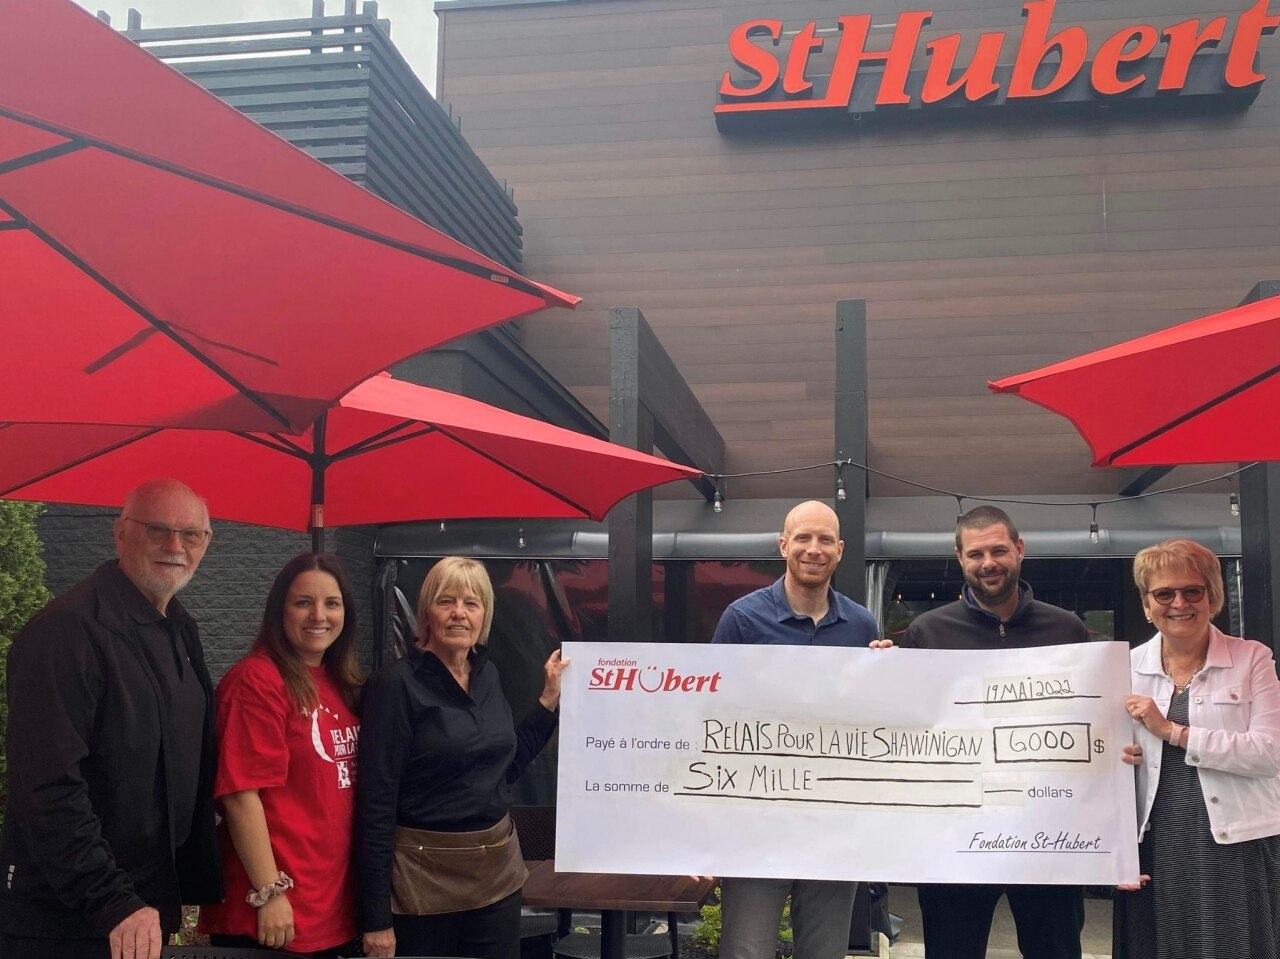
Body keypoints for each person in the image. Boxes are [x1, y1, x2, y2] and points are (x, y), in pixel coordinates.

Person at [0, 478, 222, 959]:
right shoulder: (66, 633)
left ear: (207, 542)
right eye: (158, 529)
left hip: (144, 912)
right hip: (72, 920)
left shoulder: (181, 631)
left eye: (191, 534)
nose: (174, 546)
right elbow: (46, 786)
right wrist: (111, 900)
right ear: (121, 533)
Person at [896, 505, 1089, 959]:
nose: (989, 563)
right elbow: (904, 729)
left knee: (1056, 950)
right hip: (957, 840)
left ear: (1019, 550)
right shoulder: (926, 632)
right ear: (959, 558)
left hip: (1048, 836)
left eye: (999, 550)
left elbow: (1091, 723)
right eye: (976, 553)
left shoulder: (1067, 629)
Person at [357, 556, 568, 959]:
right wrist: (376, 918)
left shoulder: (488, 676)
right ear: (426, 613)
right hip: (421, 886)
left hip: (497, 881)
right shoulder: (394, 686)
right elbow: (375, 806)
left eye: (471, 603)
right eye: (446, 601)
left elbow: (505, 768)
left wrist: (547, 700)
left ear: (484, 614)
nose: (459, 613)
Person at [710, 500, 878, 959]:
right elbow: (709, 718)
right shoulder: (741, 619)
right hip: (757, 824)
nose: (813, 549)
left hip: (833, 823)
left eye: (825, 539)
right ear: (783, 545)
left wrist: (889, 679)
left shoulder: (862, 624)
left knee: (824, 953)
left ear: (840, 550)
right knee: (746, 951)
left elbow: (869, 720)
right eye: (803, 538)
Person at [1115, 538, 1280, 958]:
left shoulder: (1252, 659)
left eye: (1193, 590)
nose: (1179, 603)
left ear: (1213, 597)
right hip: (1155, 845)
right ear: (1147, 605)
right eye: (1163, 593)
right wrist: (1120, 758)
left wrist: (1172, 731)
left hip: (1235, 844)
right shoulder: (1124, 667)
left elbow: (1269, 753)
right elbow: (1106, 764)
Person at [199, 553, 364, 956]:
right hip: (272, 915)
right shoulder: (256, 681)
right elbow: (239, 794)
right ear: (280, 609)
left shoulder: (340, 682)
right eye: (303, 602)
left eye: (331, 603)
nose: (318, 615)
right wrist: (269, 892)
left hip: (331, 909)